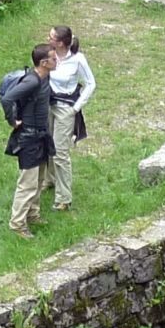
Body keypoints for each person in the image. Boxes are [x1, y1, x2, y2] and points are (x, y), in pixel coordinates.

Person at [2, 43, 59, 236]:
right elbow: (7, 99)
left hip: (42, 134)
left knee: (39, 179)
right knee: (27, 183)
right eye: (53, 58)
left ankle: (33, 214)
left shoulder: (46, 76)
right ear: (44, 63)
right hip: (28, 137)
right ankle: (17, 224)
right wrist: (13, 121)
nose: (56, 60)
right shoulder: (32, 81)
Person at [45, 26, 96, 212]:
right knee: (46, 142)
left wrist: (76, 107)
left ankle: (64, 198)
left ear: (60, 43)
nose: (47, 38)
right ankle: (49, 180)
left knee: (60, 151)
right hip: (48, 103)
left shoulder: (77, 60)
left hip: (65, 107)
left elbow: (91, 83)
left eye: (51, 37)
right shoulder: (50, 54)